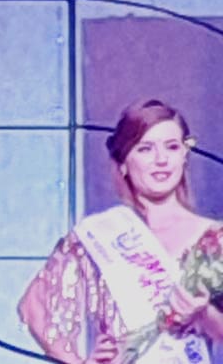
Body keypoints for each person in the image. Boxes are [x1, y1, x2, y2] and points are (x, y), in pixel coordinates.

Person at [19, 98, 223, 364]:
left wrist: (204, 316)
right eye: (145, 149)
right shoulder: (100, 233)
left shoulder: (215, 239)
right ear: (124, 162)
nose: (161, 159)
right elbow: (34, 308)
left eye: (172, 147)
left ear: (184, 155)